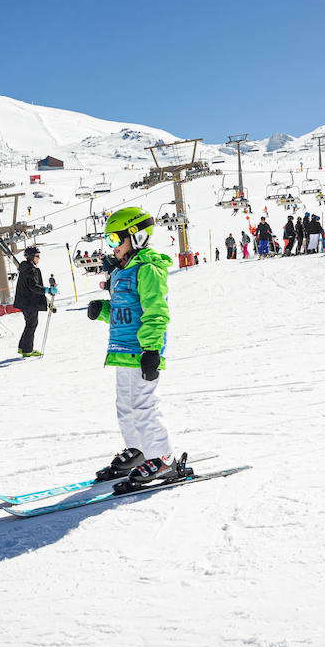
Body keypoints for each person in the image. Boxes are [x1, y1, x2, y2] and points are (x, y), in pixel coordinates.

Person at [85, 207, 179, 485]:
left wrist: (151, 350)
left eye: (115, 239)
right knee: (125, 407)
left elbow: (155, 312)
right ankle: (139, 451)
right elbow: (124, 311)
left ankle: (163, 458)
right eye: (109, 241)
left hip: (142, 352)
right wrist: (102, 310)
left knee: (143, 406)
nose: (112, 247)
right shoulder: (120, 272)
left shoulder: (148, 269)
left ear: (136, 237)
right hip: (122, 351)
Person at [14, 246, 51, 358]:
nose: (38, 258)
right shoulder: (31, 270)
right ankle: (27, 350)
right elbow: (33, 286)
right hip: (29, 302)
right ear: (31, 257)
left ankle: (23, 347)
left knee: (30, 324)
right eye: (37, 256)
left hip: (25, 301)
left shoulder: (25, 268)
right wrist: (46, 290)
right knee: (31, 324)